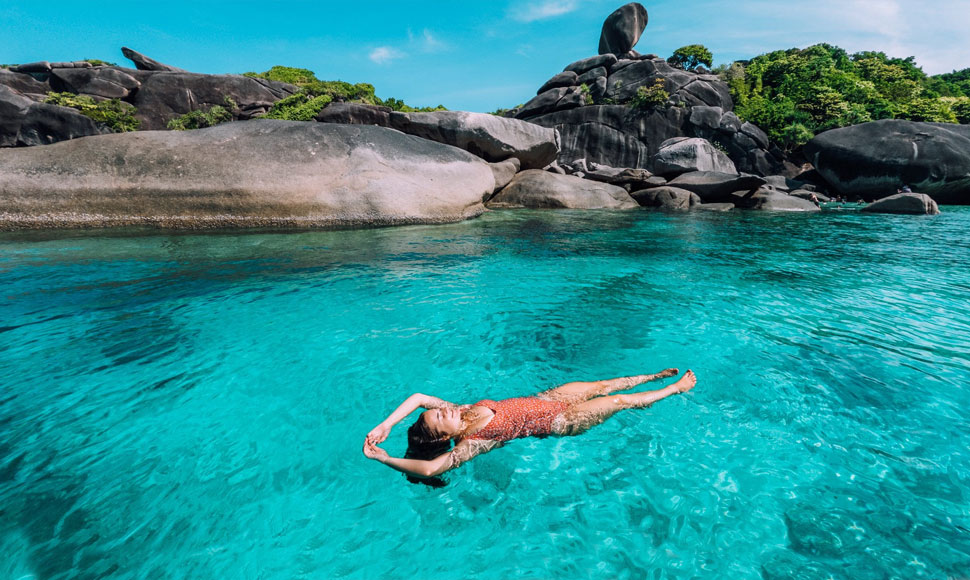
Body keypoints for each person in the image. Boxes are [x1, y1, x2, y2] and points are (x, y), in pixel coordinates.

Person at [363, 369, 697, 485]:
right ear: (447, 436)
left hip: (548, 398)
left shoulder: (460, 411)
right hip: (558, 420)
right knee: (618, 402)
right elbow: (433, 467)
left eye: (437, 410)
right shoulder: (473, 441)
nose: (442, 408)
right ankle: (673, 389)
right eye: (439, 416)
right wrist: (384, 458)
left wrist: (386, 425)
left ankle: (652, 378)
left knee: (604, 384)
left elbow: (419, 397)